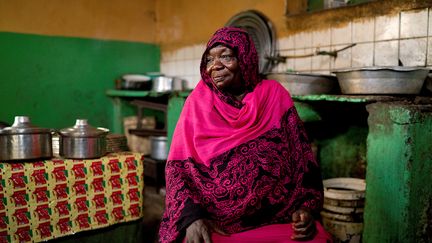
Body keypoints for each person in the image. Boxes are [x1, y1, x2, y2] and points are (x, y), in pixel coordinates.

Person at [158, 27, 332, 243]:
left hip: (278, 215)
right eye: (210, 59)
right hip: (217, 222)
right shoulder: (197, 103)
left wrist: (305, 208)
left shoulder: (273, 94)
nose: (216, 66)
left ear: (245, 59)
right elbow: (178, 169)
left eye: (226, 56)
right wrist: (192, 218)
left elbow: (302, 159)